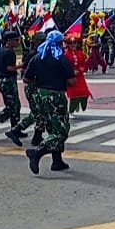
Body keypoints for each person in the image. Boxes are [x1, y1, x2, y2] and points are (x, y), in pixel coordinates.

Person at [23, 30, 76, 175]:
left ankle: (57, 161)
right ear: (59, 43)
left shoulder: (37, 58)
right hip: (56, 96)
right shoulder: (62, 59)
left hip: (40, 95)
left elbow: (26, 79)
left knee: (52, 128)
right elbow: (72, 81)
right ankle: (37, 152)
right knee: (61, 131)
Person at [6, 31, 47, 146]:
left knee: (39, 113)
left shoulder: (39, 53)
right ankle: (19, 131)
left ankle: (35, 135)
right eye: (42, 41)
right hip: (33, 86)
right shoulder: (33, 55)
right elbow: (25, 72)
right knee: (38, 113)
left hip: (37, 86)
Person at [64, 37, 92, 115]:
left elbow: (84, 64)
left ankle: (80, 105)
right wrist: (71, 71)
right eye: (70, 43)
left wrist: (81, 68)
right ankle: (71, 110)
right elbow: (64, 66)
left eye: (74, 43)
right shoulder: (66, 54)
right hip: (71, 77)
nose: (73, 45)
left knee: (85, 93)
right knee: (74, 95)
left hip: (80, 76)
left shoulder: (80, 53)